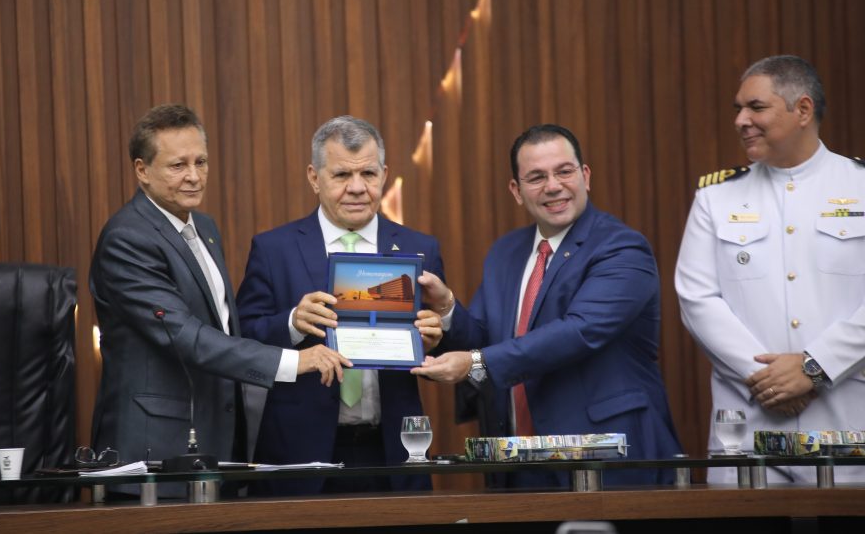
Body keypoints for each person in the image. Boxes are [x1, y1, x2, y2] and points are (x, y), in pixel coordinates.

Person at [89, 104, 349, 499]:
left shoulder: (204, 227)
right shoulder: (127, 237)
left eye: (201, 162)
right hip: (154, 454)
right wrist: (295, 362)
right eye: (178, 165)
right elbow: (185, 335)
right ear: (142, 170)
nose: (194, 176)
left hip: (213, 446)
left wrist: (292, 323)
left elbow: (226, 326)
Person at [414, 124, 680, 487]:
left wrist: (476, 362)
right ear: (516, 190)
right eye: (537, 177)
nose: (553, 186)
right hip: (515, 461)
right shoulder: (505, 252)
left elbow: (579, 331)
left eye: (564, 171)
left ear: (585, 176)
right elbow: (483, 337)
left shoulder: (621, 248)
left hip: (603, 458)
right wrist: (446, 307)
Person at [675, 55, 865, 483]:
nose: (741, 120)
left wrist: (815, 368)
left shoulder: (860, 186)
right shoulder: (716, 197)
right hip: (748, 430)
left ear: (803, 110)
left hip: (847, 425)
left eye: (756, 107)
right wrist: (766, 379)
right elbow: (697, 299)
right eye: (738, 109)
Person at [236, 116, 445, 495]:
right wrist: (293, 322)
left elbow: (447, 349)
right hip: (298, 453)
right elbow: (243, 339)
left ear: (384, 174)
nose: (357, 188)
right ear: (314, 178)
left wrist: (435, 337)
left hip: (393, 452)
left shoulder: (420, 249)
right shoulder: (273, 249)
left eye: (368, 173)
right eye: (341, 175)